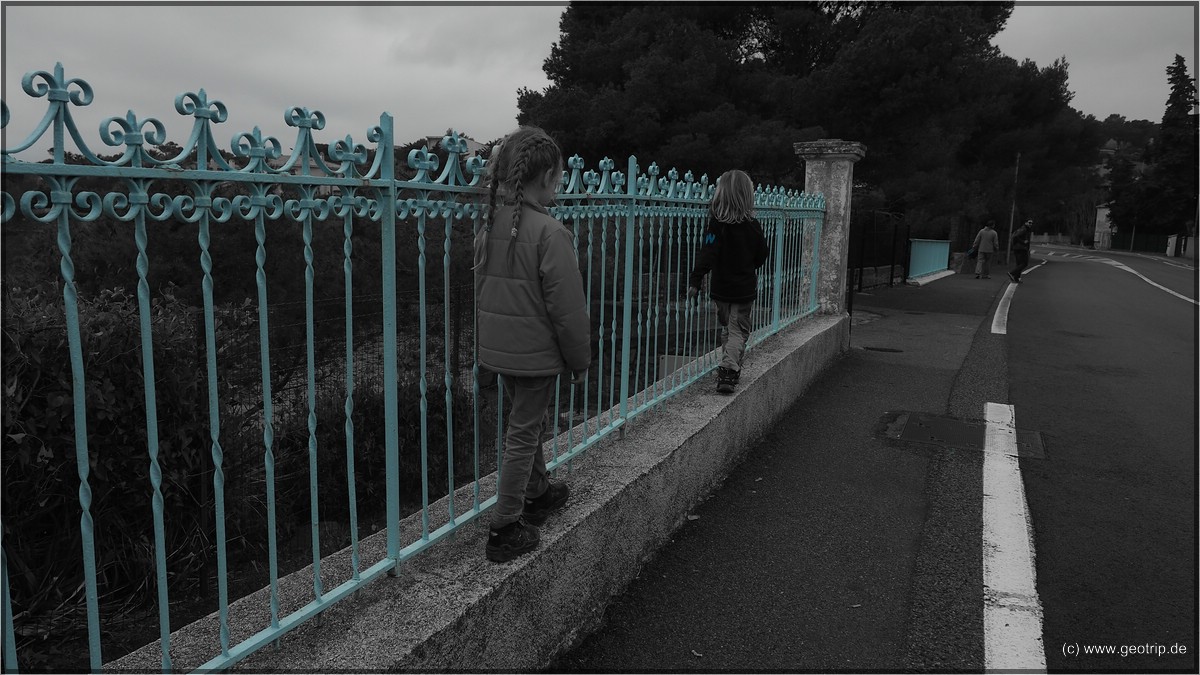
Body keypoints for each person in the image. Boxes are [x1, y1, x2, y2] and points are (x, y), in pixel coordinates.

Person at [473, 126, 591, 562]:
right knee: (524, 434)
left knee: (525, 426)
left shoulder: (488, 225)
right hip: (537, 357)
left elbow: (485, 297)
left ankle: (539, 493)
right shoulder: (550, 232)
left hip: (501, 353)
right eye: (558, 177)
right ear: (545, 178)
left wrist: (485, 356)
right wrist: (580, 361)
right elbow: (569, 310)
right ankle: (505, 526)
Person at [686, 169, 770, 394]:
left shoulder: (716, 225)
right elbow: (762, 254)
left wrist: (696, 278)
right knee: (737, 331)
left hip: (721, 289)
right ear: (747, 195)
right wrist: (748, 264)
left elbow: (708, 252)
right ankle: (729, 370)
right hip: (743, 289)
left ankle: (729, 365)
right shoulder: (753, 226)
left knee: (728, 328)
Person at [1009, 218, 1033, 283]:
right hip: (1022, 248)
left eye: (1031, 223)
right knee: (1025, 263)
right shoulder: (1024, 229)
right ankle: (1012, 273)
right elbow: (1015, 237)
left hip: (1017, 248)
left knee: (1019, 263)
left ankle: (1016, 278)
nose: (1031, 224)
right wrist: (1023, 242)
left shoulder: (1023, 229)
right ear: (1025, 223)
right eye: (1029, 222)